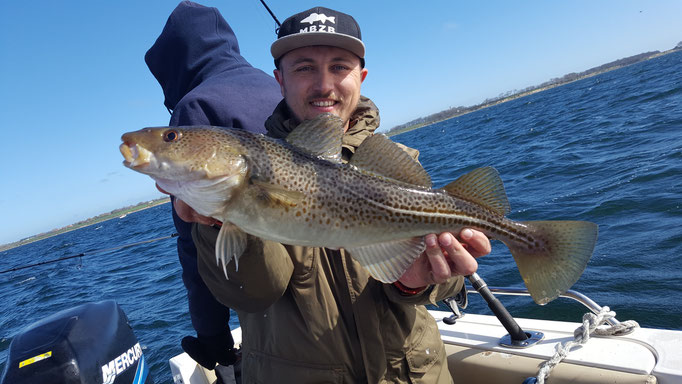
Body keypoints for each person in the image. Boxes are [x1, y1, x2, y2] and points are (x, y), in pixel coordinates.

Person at [182, 6, 490, 383]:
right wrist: (218, 219)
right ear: (279, 80)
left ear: (361, 78)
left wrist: (417, 280)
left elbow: (447, 283)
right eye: (305, 68)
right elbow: (253, 293)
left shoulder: (399, 165)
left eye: (340, 67)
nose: (324, 85)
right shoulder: (253, 170)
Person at [144, 1, 282, 370]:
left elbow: (193, 239)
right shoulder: (278, 85)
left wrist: (214, 337)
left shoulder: (194, 111)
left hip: (275, 306)